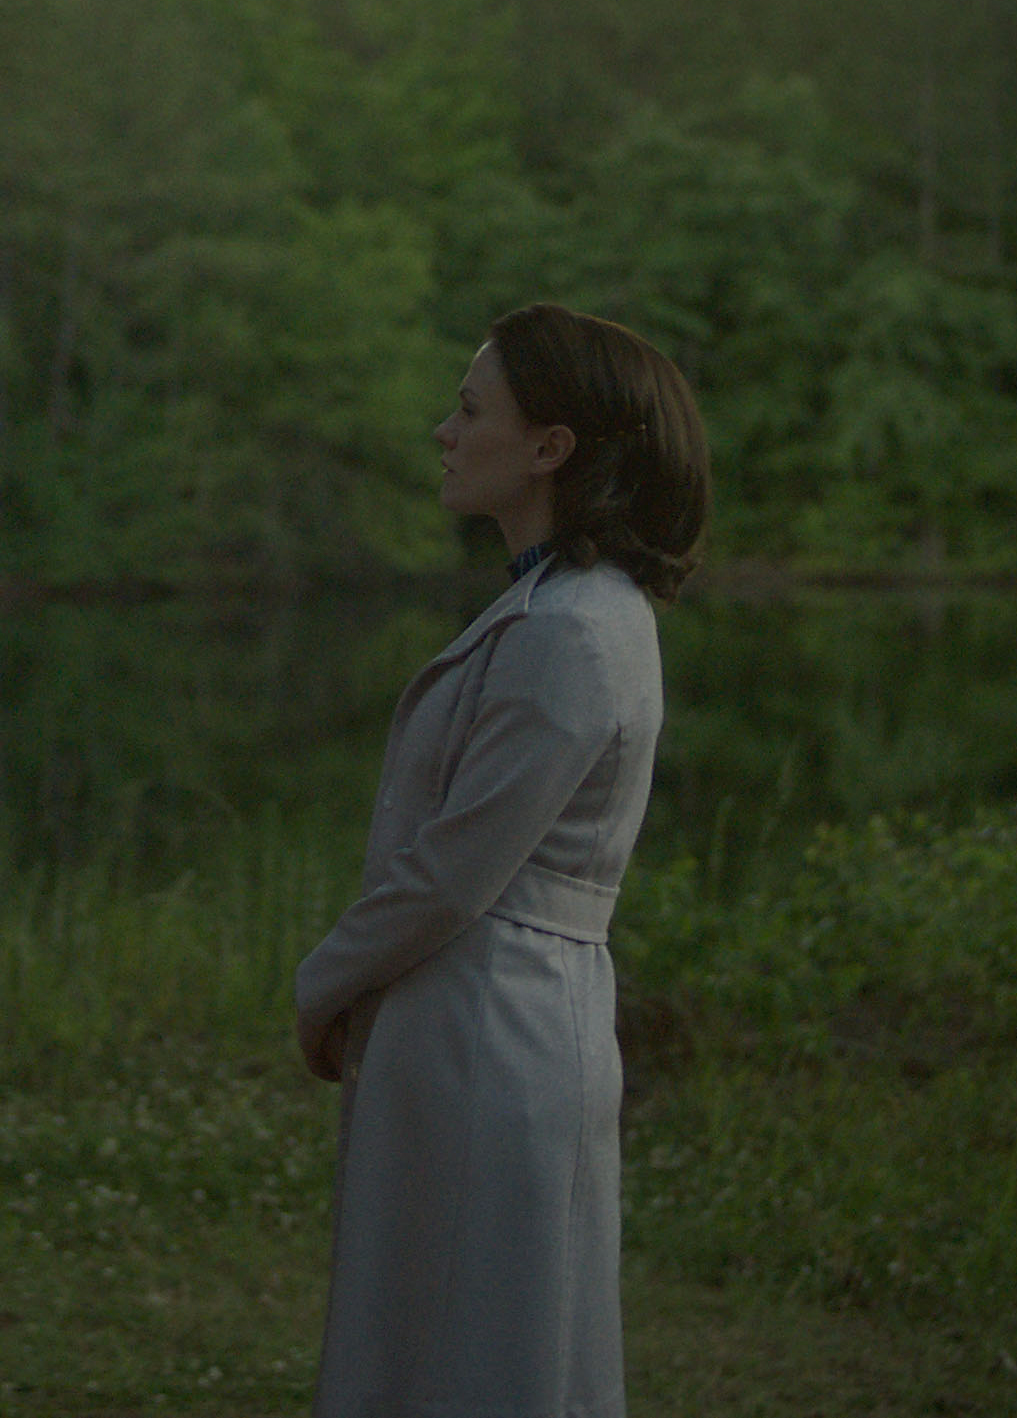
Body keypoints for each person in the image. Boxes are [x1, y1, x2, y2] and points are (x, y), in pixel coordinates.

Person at [293, 302, 710, 1418]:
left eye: (470, 410)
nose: (443, 430)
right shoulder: (562, 609)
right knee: (470, 1337)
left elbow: (449, 874)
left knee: (477, 1347)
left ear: (550, 449)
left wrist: (323, 985)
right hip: (497, 1014)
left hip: (492, 1021)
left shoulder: (571, 629)